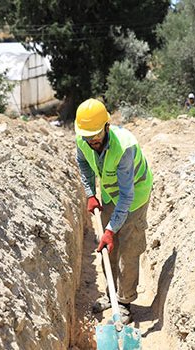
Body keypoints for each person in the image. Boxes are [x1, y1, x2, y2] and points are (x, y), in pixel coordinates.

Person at [75, 98, 153, 325]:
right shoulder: (83, 139)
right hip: (110, 194)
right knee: (109, 246)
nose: (93, 141)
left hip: (134, 195)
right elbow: (83, 164)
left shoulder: (125, 147)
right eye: (88, 136)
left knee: (128, 248)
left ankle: (126, 302)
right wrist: (90, 193)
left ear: (107, 126)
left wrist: (111, 229)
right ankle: (112, 295)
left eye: (96, 135)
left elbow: (127, 196)